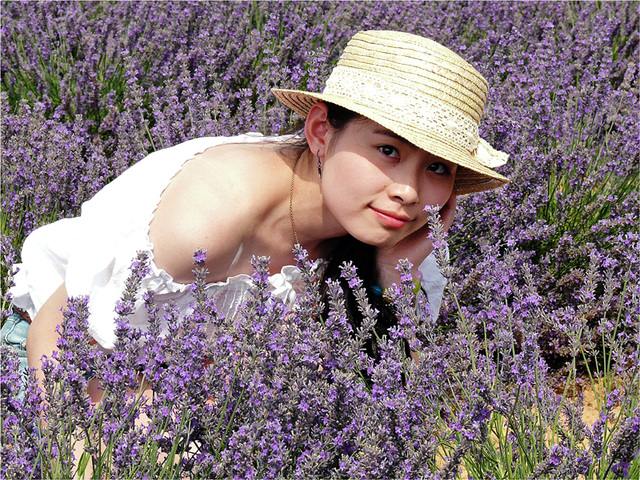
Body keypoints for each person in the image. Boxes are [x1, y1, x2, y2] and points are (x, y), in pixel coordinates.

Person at [3, 30, 509, 395]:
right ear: (320, 132)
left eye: (438, 168)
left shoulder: (379, 238)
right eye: (389, 151)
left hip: (189, 400)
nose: (408, 190)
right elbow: (61, 323)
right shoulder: (209, 220)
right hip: (59, 372)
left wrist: (388, 273)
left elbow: (363, 383)